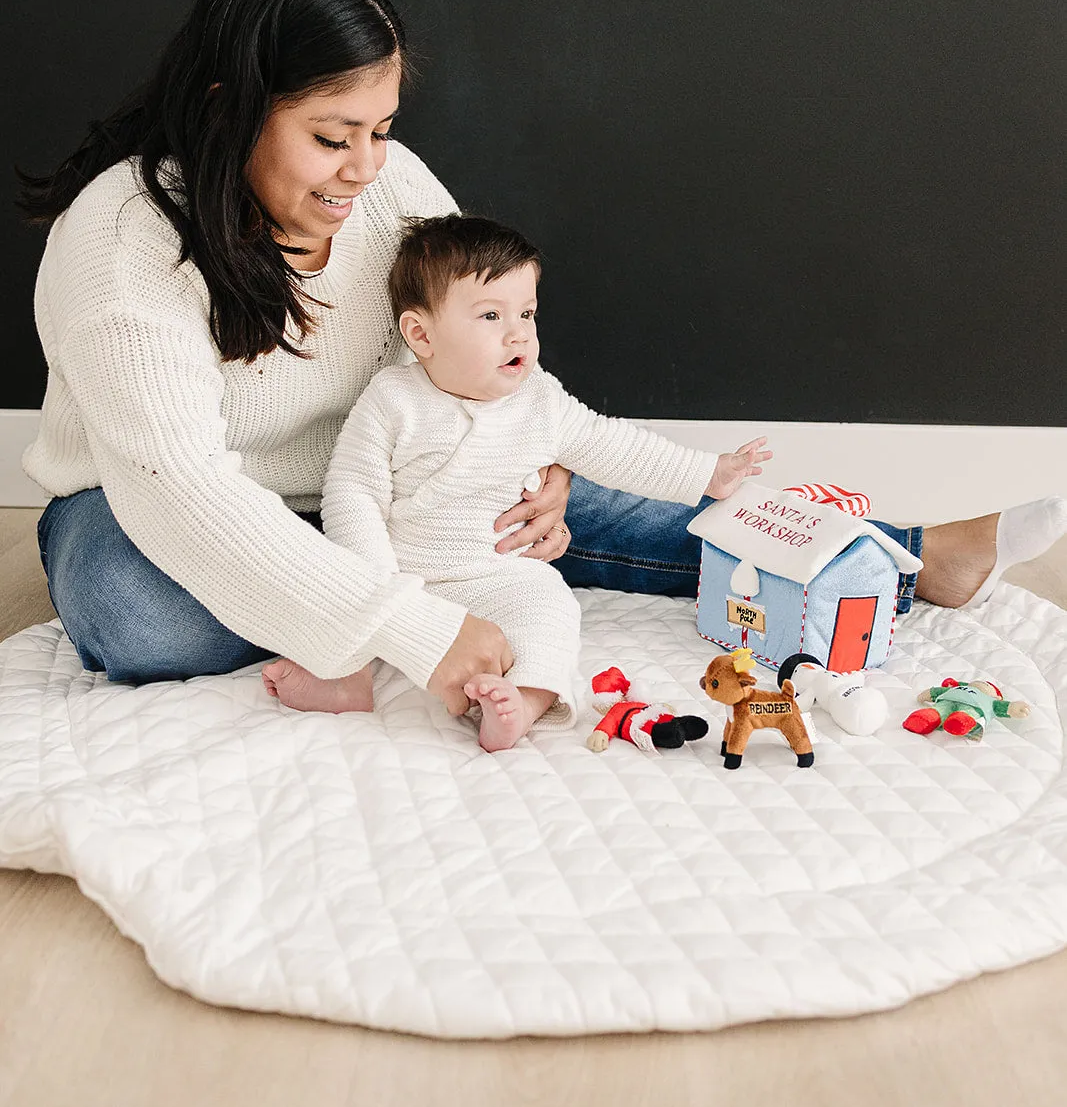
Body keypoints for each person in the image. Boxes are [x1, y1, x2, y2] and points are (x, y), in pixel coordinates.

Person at [16, 0, 1066, 716]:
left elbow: (476, 337)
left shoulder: (386, 198)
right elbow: (186, 500)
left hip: (376, 479)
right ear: (226, 108)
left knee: (546, 499)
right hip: (145, 509)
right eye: (331, 138)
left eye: (380, 131)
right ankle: (379, 587)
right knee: (131, 609)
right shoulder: (124, 246)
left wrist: (533, 453)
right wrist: (418, 629)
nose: (364, 169)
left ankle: (900, 556)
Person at [264, 214, 772, 750]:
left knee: (550, 602)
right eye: (491, 315)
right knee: (335, 594)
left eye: (527, 313)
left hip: (495, 571)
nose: (519, 334)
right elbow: (353, 492)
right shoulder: (393, 401)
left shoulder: (540, 401)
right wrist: (376, 582)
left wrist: (703, 473)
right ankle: (346, 678)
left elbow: (611, 445)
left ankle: (524, 702)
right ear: (421, 334)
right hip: (401, 566)